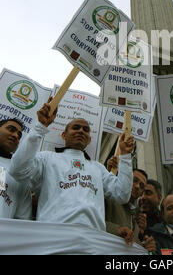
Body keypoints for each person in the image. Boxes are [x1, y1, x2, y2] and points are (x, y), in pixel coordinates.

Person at [9, 101, 134, 233]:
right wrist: (40, 126)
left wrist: (125, 156)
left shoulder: (98, 168)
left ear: (89, 140)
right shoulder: (46, 158)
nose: (81, 131)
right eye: (76, 127)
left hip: (91, 241)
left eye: (86, 130)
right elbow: (17, 169)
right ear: (64, 135)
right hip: (54, 237)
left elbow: (122, 194)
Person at [105, 163, 155, 251]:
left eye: (141, 186)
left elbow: (130, 244)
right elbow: (91, 222)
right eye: (134, 180)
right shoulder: (109, 198)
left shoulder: (136, 217)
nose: (137, 186)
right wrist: (117, 230)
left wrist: (143, 246)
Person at [0, 118, 32, 220]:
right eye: (11, 129)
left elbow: (22, 219)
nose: (15, 136)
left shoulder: (19, 174)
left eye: (19, 135)